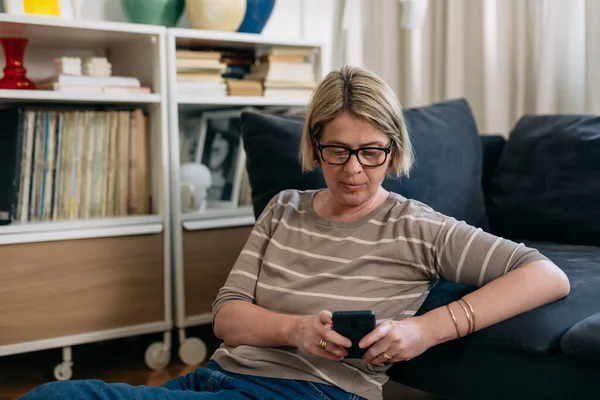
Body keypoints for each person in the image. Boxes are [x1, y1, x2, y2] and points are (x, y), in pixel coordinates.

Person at [20, 66, 570, 400]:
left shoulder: (417, 225)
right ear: (314, 145)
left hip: (311, 394)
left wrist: (424, 331)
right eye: (338, 150)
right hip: (212, 379)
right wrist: (298, 330)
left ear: (395, 151)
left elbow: (545, 275)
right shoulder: (283, 209)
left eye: (372, 152)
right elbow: (227, 315)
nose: (354, 169)